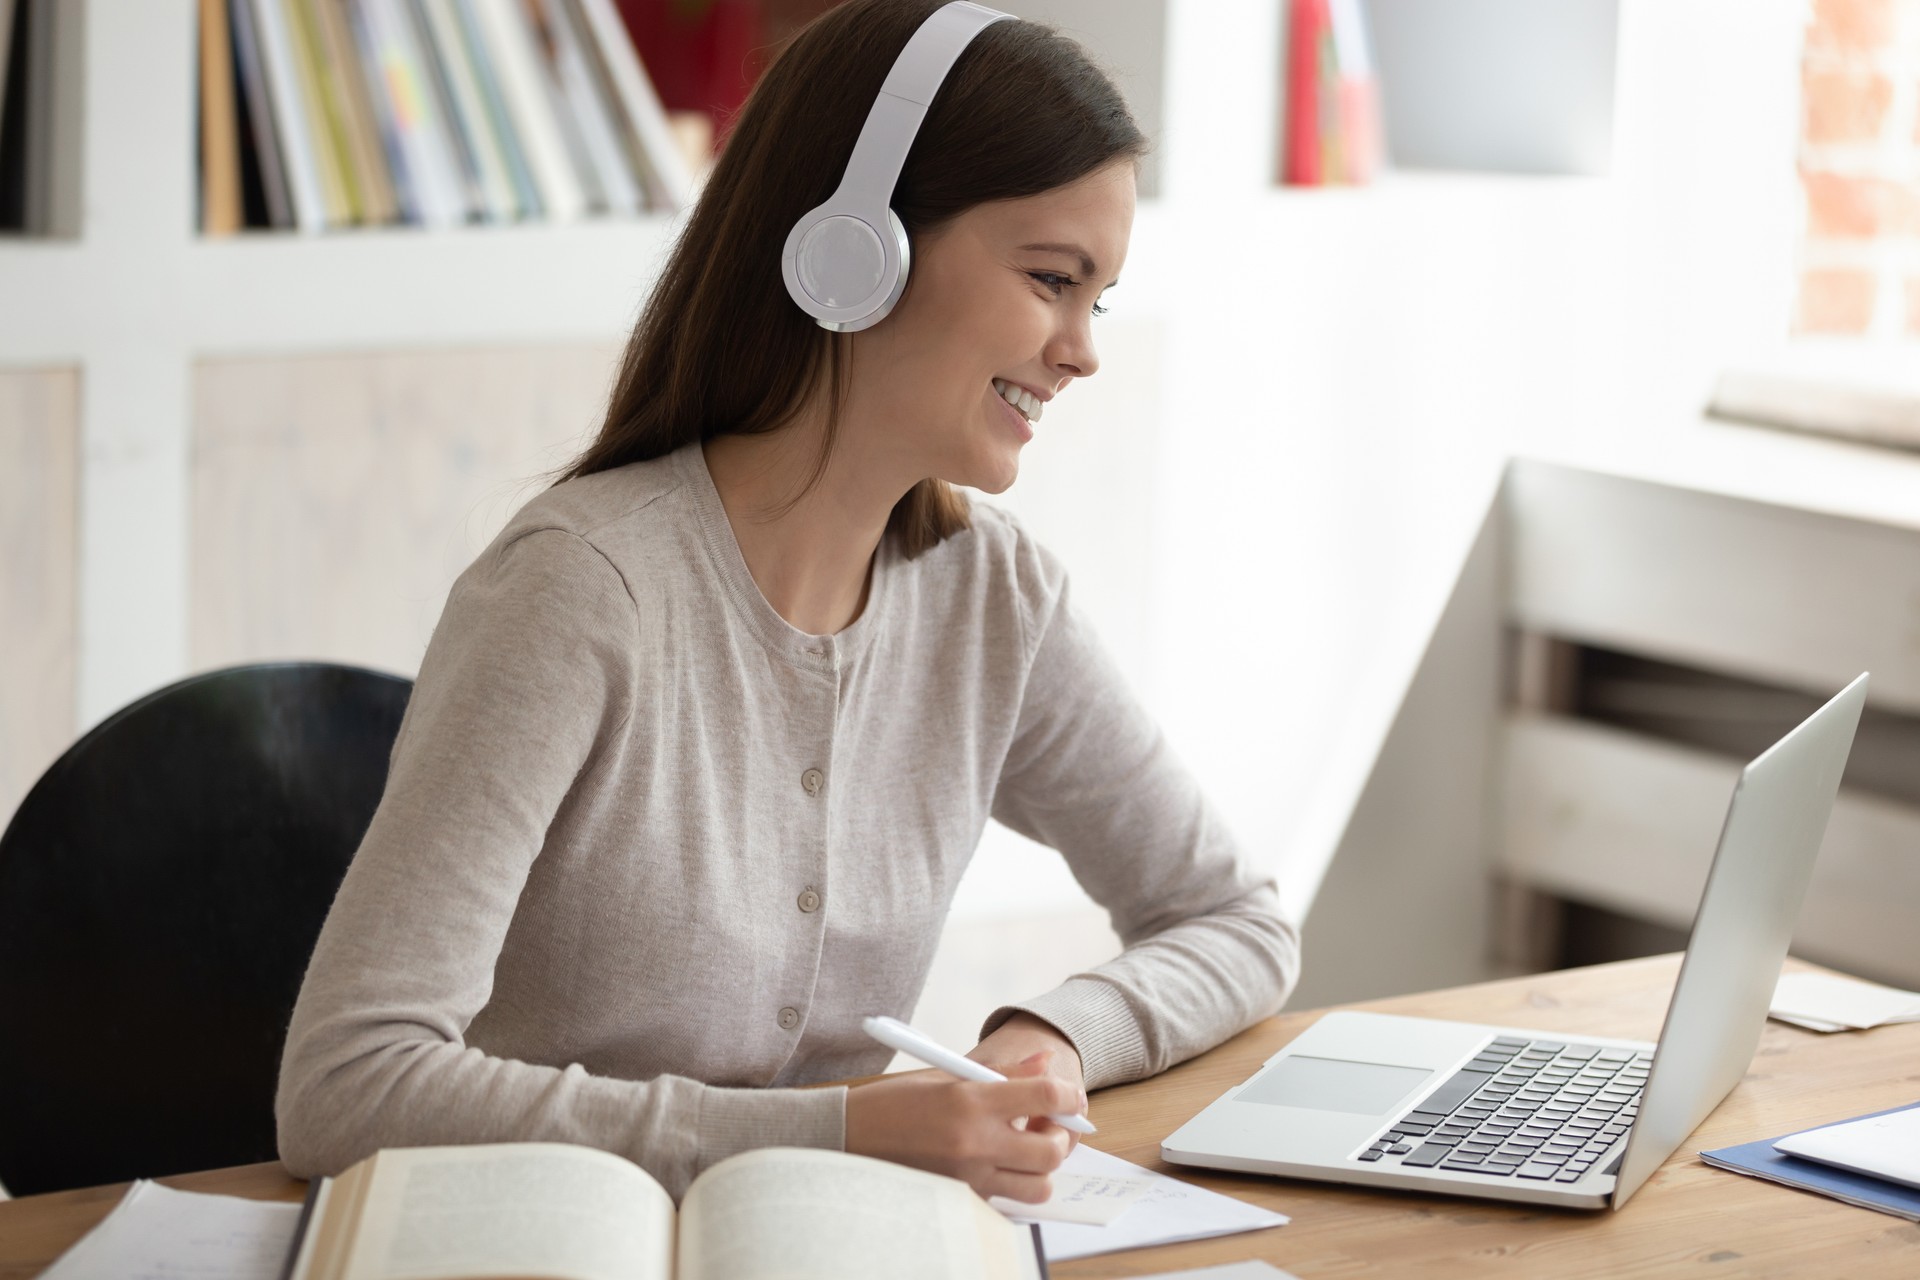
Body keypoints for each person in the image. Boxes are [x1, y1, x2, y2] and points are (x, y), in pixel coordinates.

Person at [275, 0, 1299, 1206]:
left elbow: (1234, 919)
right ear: (858, 248)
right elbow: (346, 1085)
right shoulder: (580, 591)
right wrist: (845, 1130)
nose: (1081, 349)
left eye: (1100, 298)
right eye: (1051, 280)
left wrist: (1053, 1038)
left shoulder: (993, 600)